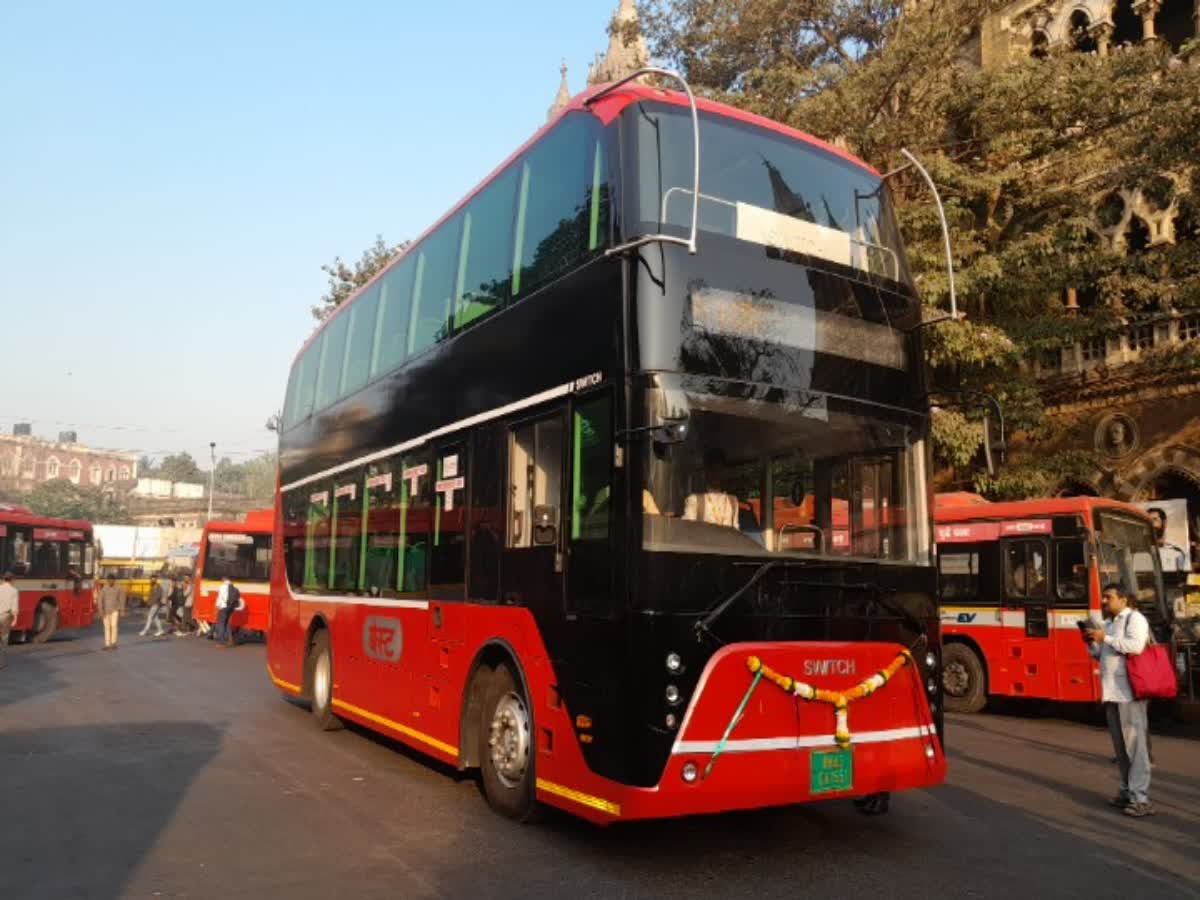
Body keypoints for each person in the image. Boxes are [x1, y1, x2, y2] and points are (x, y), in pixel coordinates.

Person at [1086, 583, 1153, 817]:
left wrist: (1106, 638)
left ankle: (1141, 798)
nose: (1104, 601)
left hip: (1129, 693)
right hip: (1112, 693)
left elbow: (1135, 647)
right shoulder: (1111, 623)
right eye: (1104, 597)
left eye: (1109, 597)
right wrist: (1092, 642)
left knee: (1136, 749)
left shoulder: (1135, 619)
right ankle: (1127, 791)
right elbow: (1101, 655)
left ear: (1123, 599)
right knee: (1121, 749)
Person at [1146, 507, 1187, 573]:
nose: (1151, 524)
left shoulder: (1177, 553)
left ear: (1164, 523)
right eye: (1148, 521)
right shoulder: (1141, 552)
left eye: (1155, 519)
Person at [95, 576, 125, 650]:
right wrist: (100, 611)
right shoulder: (104, 589)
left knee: (114, 626)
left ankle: (113, 643)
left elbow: (122, 600)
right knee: (107, 628)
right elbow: (100, 600)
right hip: (105, 611)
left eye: (112, 580)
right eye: (109, 580)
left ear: (114, 581)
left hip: (115, 610)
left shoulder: (119, 588)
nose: (111, 582)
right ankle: (107, 644)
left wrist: (122, 610)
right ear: (107, 581)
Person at [213, 577, 243, 647]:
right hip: (231, 608)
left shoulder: (223, 587)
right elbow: (238, 598)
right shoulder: (235, 588)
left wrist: (217, 605)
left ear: (225, 580)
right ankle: (230, 640)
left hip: (223, 607)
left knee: (221, 624)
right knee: (227, 624)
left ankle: (221, 642)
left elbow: (220, 597)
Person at [0, 572, 20, 669]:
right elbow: (14, 607)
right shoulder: (14, 590)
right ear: (12, 580)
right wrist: (15, 620)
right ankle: (1, 663)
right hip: (6, 616)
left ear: (4, 579)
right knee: (4, 639)